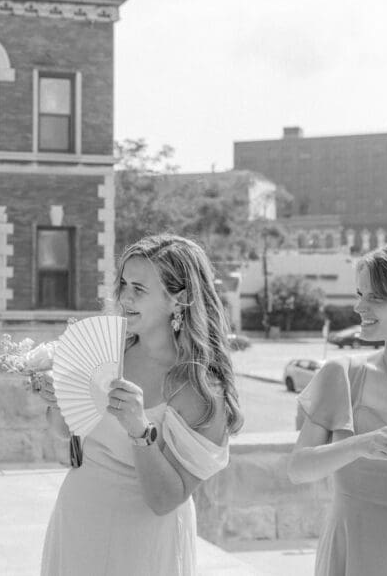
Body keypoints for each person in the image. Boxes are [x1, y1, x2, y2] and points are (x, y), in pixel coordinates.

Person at [40, 234, 243, 575]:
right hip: (77, 521)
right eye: (123, 284)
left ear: (178, 300)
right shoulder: (103, 353)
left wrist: (139, 429)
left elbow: (165, 499)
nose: (124, 297)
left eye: (139, 289)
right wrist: (58, 400)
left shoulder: (200, 390)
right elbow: (64, 438)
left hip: (142, 545)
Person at [288, 238, 387, 575]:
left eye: (376, 296)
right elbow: (298, 469)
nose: (360, 307)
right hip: (354, 551)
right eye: (360, 294)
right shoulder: (342, 374)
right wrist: (361, 444)